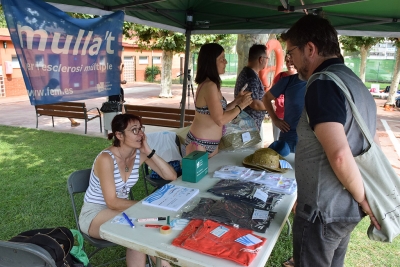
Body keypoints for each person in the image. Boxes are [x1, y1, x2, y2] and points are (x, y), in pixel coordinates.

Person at [281, 15, 380, 266]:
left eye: (291, 52)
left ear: (310, 49)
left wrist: (364, 199)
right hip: (343, 209)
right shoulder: (352, 81)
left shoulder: (322, 83)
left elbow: (339, 153)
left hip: (323, 210)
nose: (290, 61)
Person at [79, 113, 176, 267]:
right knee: (140, 226)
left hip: (123, 210)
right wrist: (146, 205)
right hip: (94, 215)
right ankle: (163, 265)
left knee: (140, 227)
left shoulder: (139, 155)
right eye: (134, 130)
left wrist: (149, 151)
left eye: (141, 129)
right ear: (119, 135)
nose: (141, 134)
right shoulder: (106, 159)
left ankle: (162, 264)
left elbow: (170, 175)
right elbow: (111, 202)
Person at [185, 43, 253, 158]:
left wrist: (237, 101)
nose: (225, 62)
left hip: (209, 144)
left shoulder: (212, 84)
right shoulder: (209, 86)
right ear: (211, 62)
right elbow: (220, 120)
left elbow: (220, 111)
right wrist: (241, 106)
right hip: (199, 145)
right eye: (222, 59)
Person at [262, 56, 306, 154]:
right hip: (290, 138)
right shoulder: (288, 80)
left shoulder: (319, 81)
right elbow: (266, 98)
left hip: (311, 141)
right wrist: (275, 119)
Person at [234, 44, 268, 131]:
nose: (267, 61)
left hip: (247, 125)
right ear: (261, 59)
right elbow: (254, 103)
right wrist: (270, 107)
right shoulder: (251, 77)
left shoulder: (248, 73)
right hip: (249, 128)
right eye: (267, 58)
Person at [270, 54, 297, 141]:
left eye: (291, 61)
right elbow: (268, 96)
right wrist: (275, 118)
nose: (289, 64)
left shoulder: (302, 78)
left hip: (294, 117)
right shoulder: (281, 77)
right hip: (279, 115)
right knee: (278, 141)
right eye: (287, 61)